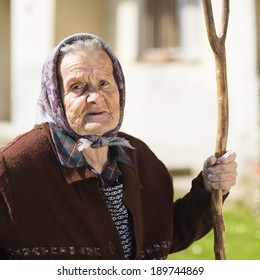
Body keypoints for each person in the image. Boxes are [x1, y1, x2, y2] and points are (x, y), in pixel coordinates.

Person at [0, 33, 237, 260]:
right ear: (55, 97)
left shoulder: (140, 158)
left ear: (120, 87)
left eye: (104, 82)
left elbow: (162, 233)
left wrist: (208, 188)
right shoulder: (13, 170)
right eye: (77, 87)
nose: (95, 97)